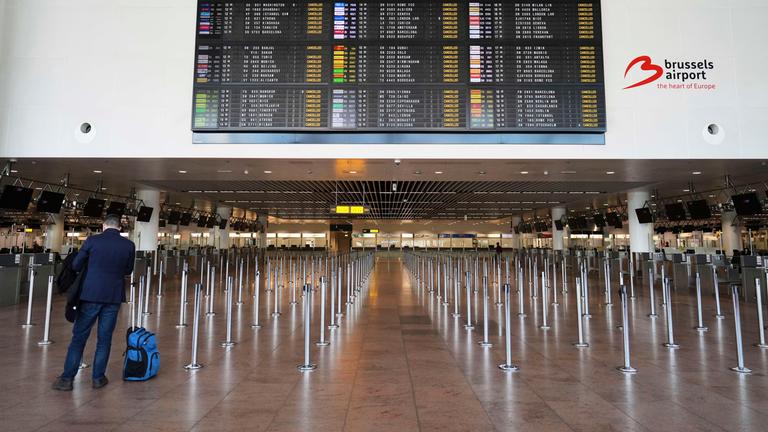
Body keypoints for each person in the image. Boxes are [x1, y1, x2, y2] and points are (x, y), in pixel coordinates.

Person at [52, 215, 135, 391]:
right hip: (113, 297)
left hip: (90, 294)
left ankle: (67, 379)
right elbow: (128, 269)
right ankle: (98, 378)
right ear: (119, 228)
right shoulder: (128, 245)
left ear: (103, 225)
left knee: (79, 338)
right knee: (104, 339)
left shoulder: (92, 241)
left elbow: (75, 265)